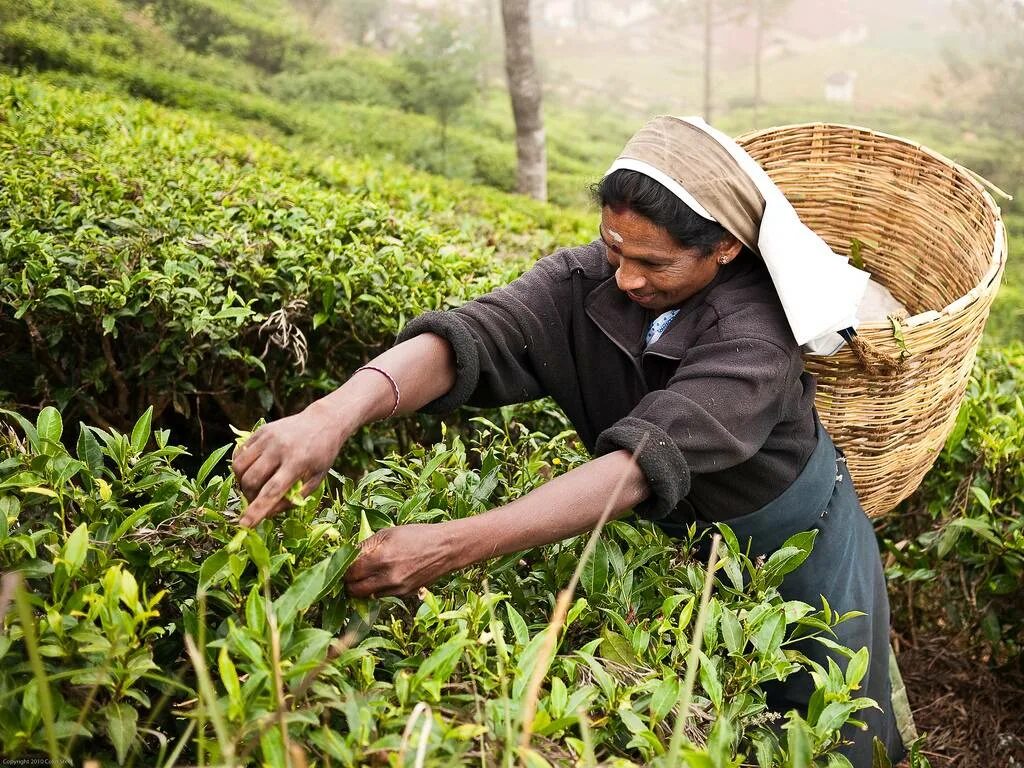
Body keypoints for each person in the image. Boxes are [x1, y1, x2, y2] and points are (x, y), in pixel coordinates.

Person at [231, 116, 906, 765]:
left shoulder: (753, 336)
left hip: (792, 548)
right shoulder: (589, 279)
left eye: (653, 263)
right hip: (670, 539)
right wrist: (331, 415)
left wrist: (449, 545)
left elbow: (644, 462)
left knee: (817, 727)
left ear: (726, 247)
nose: (626, 278)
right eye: (614, 248)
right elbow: (475, 335)